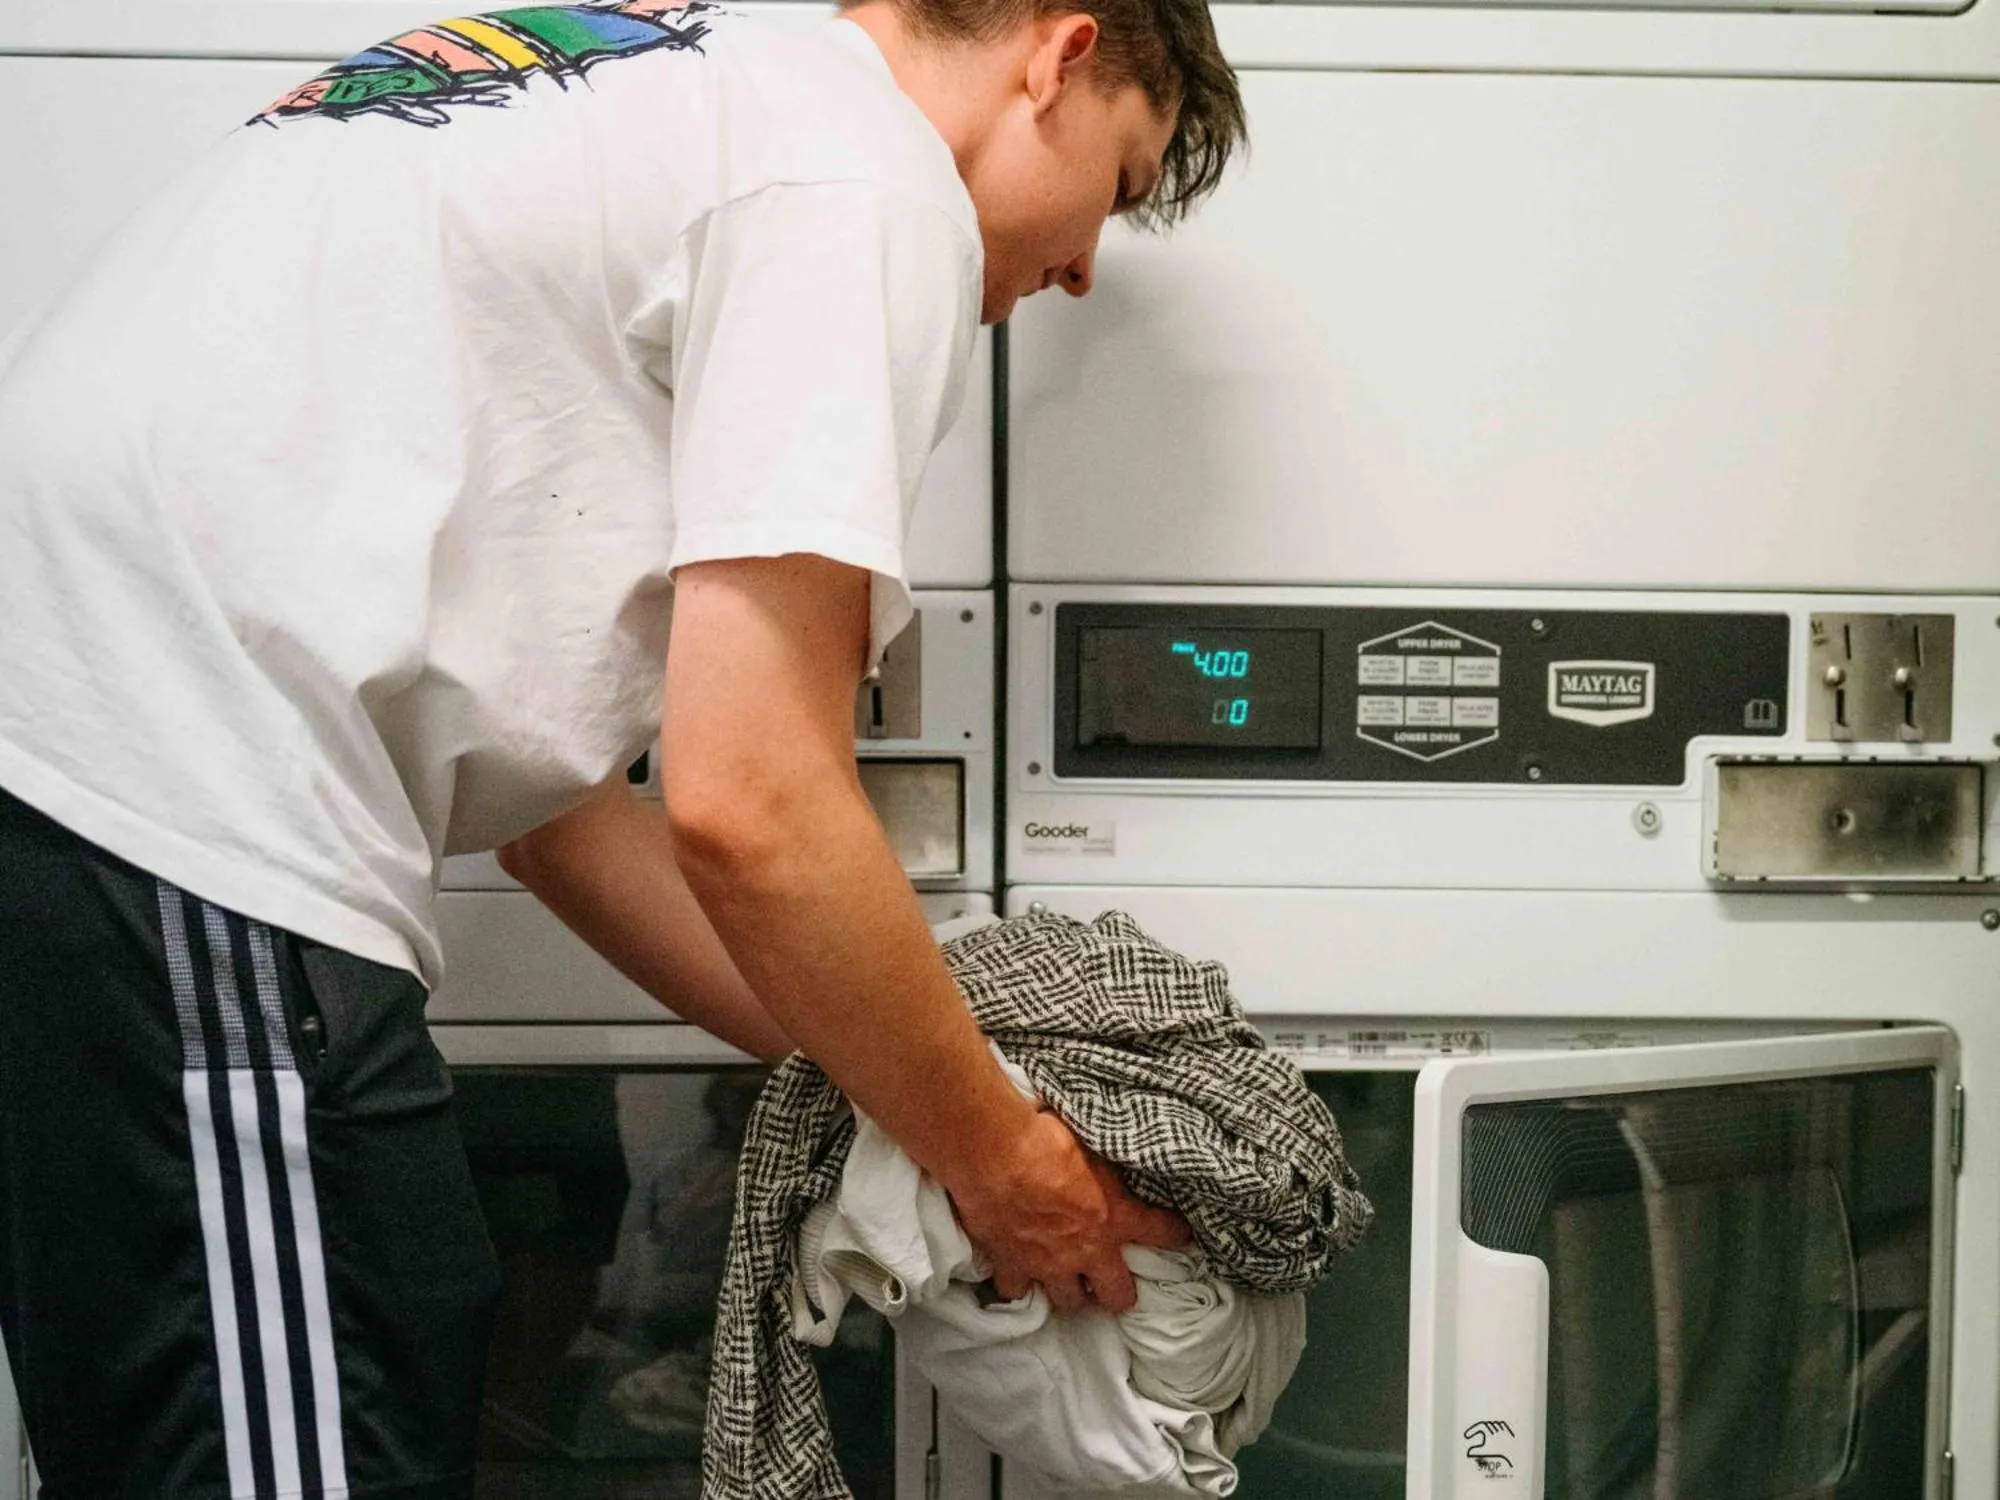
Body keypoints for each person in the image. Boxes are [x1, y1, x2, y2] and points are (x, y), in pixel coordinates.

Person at [0, 0, 1246, 1492]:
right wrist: (1005, 1162)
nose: (1081, 266)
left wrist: (909, 1092)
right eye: (1114, 183)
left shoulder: (685, 94)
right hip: (171, 793)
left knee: (368, 1333)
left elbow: (569, 823)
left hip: (91, 792)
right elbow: (755, 803)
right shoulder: (861, 177)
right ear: (1058, 51)